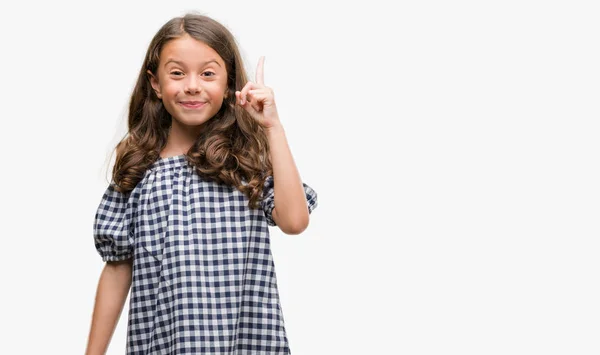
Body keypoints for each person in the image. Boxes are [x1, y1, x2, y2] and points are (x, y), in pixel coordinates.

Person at [85, 12, 318, 355]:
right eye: (177, 73)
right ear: (155, 83)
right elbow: (118, 266)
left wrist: (272, 127)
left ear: (228, 85)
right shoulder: (139, 168)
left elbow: (295, 221)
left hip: (247, 344)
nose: (192, 85)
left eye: (208, 73)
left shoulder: (245, 160)